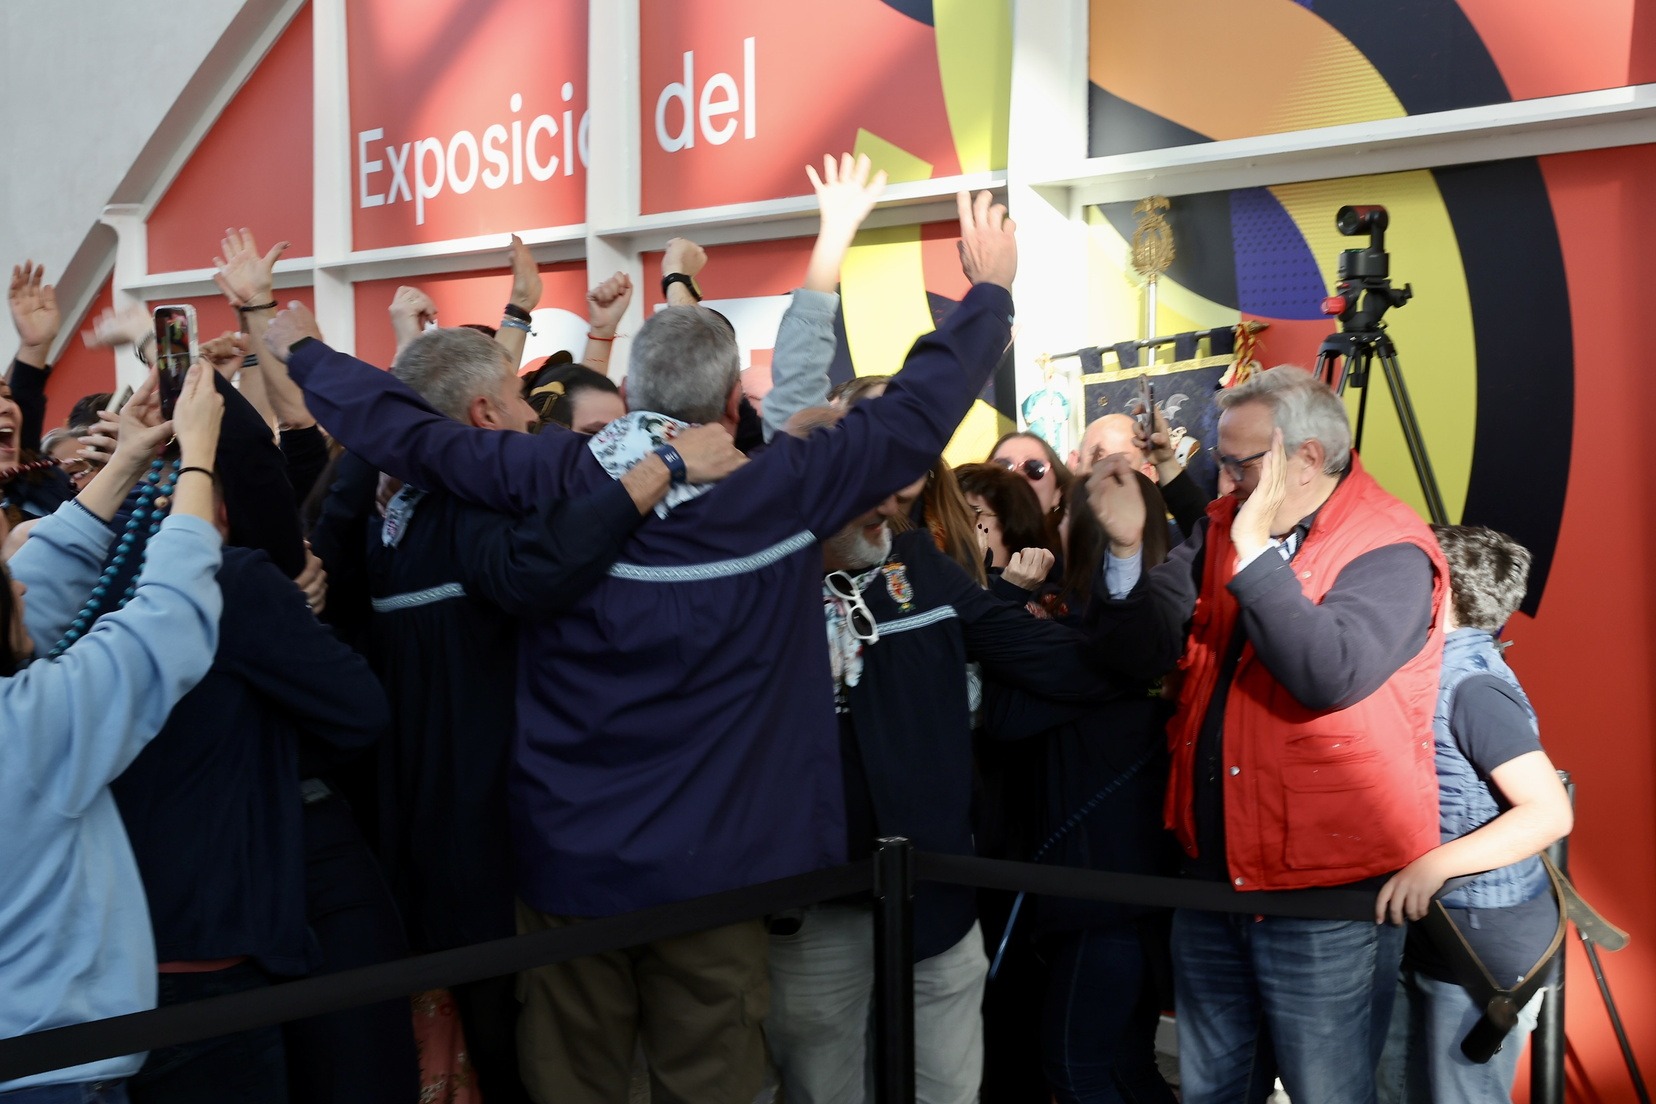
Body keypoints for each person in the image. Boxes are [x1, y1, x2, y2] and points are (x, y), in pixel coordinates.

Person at [263, 184, 1018, 1104]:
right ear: (731, 406)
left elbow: (410, 433)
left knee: (573, 1084)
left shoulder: (551, 470)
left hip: (570, 867)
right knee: (712, 1086)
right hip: (722, 871)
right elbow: (912, 416)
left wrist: (304, 352)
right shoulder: (783, 487)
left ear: (627, 394)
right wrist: (988, 295)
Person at [345, 325, 729, 1104]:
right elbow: (538, 570)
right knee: (520, 1057)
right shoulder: (465, 508)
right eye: (522, 399)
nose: (536, 417)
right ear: (485, 415)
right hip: (495, 857)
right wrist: (660, 471)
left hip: (425, 845)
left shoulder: (384, 515)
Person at [1086, 364, 1449, 1104]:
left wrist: (1254, 554)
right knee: (1214, 1090)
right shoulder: (1224, 523)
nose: (1223, 481)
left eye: (1240, 464)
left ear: (1306, 458)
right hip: (1213, 878)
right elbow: (1137, 654)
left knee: (1328, 1093)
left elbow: (1327, 672)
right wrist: (1125, 550)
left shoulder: (1390, 547)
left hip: (1323, 894)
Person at [764, 406, 1122, 1104]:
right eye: (861, 487)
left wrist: (1144, 655)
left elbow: (1040, 655)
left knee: (947, 1092)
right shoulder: (751, 584)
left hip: (938, 899)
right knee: (824, 1092)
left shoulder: (920, 565)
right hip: (815, 912)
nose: (887, 502)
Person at [0, 365, 224, 1101]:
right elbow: (169, 620)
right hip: (55, 1072)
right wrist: (197, 463)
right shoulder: (29, 726)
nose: (20, 580)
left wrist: (127, 460)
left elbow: (40, 583)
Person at [1375, 525, 1573, 1104]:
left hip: (1480, 939)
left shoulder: (1473, 687)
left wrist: (1432, 867)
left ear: (1441, 594)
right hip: (1439, 926)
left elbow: (1548, 812)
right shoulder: (1436, 672)